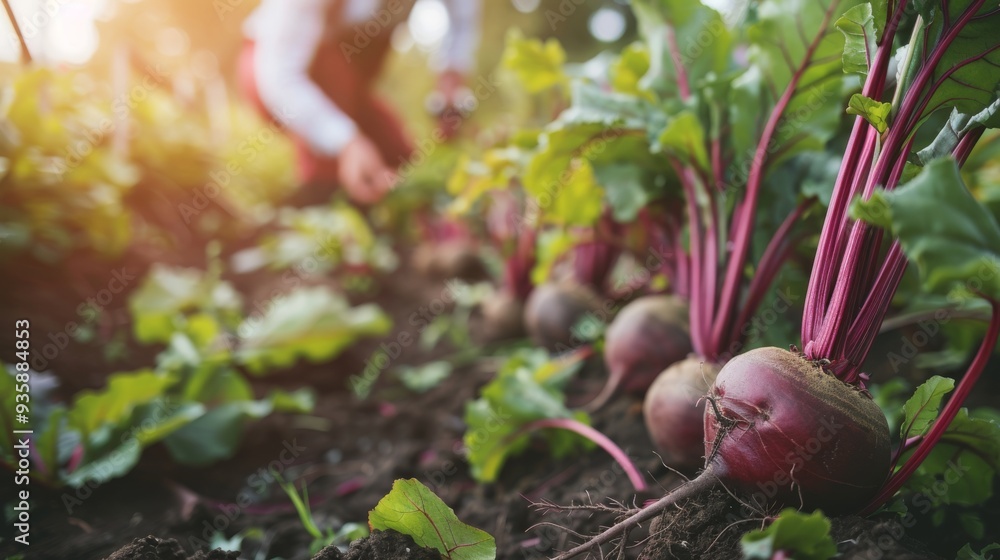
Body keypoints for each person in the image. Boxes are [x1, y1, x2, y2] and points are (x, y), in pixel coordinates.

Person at [238, 0, 481, 206]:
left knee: (398, 156)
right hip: (272, 73)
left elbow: (461, 20)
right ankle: (326, 207)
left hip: (348, 87)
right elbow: (280, 78)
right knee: (343, 162)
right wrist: (346, 142)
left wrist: (450, 90)